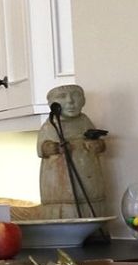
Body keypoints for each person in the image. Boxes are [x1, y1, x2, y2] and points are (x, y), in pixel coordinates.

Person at [38, 84, 109, 217]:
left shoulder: (84, 121)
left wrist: (97, 145)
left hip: (88, 175)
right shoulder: (50, 126)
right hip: (60, 181)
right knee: (65, 210)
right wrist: (53, 147)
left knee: (92, 204)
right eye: (62, 97)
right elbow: (42, 148)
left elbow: (97, 143)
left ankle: (95, 230)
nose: (70, 101)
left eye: (76, 96)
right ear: (53, 105)